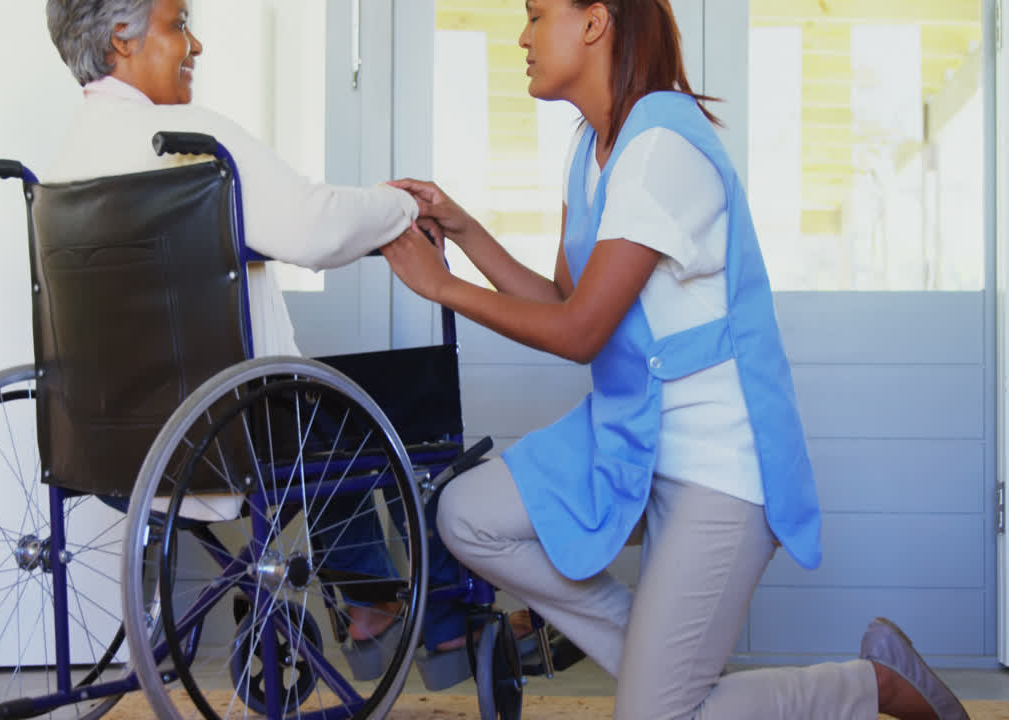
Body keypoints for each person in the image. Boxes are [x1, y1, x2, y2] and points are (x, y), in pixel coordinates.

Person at [383, 1, 971, 718]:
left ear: (595, 22)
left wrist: (441, 285)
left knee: (659, 715)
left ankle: (869, 684)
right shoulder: (592, 148)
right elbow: (564, 298)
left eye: (537, 15)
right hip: (634, 436)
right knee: (466, 513)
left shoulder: (662, 148)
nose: (523, 37)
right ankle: (661, 674)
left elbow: (579, 334)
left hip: (718, 465)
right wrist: (465, 230)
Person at [42, 0, 486, 657]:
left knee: (324, 403)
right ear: (121, 41)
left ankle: (373, 601)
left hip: (108, 448)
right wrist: (400, 206)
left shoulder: (64, 164)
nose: (195, 46)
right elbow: (312, 226)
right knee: (375, 416)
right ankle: (425, 621)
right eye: (177, 25)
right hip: (227, 438)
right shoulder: (185, 140)